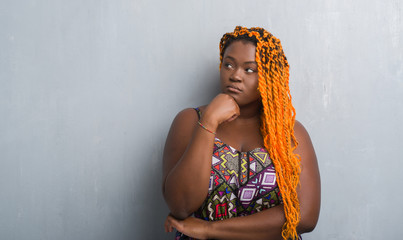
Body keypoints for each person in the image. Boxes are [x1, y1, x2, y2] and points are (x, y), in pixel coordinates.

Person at [162, 26, 320, 240]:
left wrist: (210, 230)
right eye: (228, 65)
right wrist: (209, 122)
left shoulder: (290, 133)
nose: (235, 75)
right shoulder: (190, 121)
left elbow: (304, 217)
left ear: (269, 77)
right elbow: (180, 205)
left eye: (249, 69)